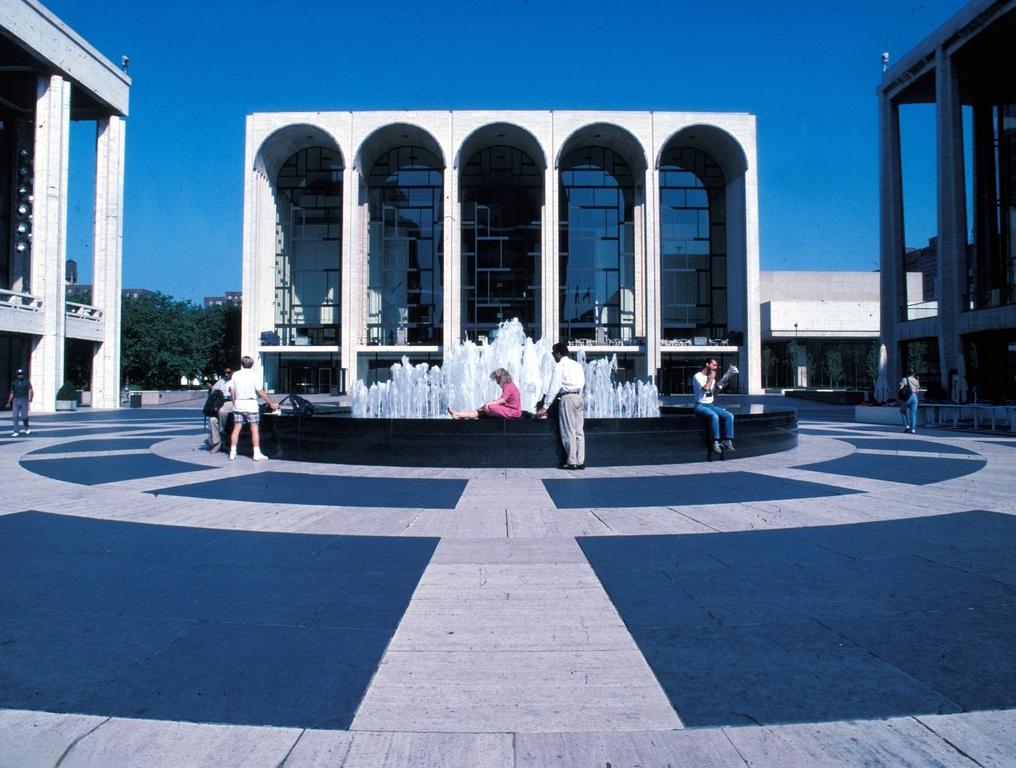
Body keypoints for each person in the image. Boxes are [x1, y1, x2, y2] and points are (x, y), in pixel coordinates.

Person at [537, 342, 586, 469]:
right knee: (579, 431)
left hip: (567, 398)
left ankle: (571, 461)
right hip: (579, 397)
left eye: (553, 353)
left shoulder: (560, 365)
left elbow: (554, 387)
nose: (553, 356)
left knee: (568, 430)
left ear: (558, 353)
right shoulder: (577, 365)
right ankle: (581, 461)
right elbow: (582, 383)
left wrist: (545, 406)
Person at [227, 356, 278, 461]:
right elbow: (260, 391)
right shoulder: (254, 375)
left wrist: (234, 402)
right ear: (252, 364)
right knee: (254, 429)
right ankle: (256, 453)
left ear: (241, 364)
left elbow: (232, 391)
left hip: (238, 404)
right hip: (251, 404)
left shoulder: (235, 375)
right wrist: (271, 403)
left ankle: (232, 452)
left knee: (236, 429)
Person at [694, 358, 735, 455]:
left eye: (716, 365)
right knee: (714, 416)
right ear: (707, 364)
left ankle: (727, 440)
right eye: (714, 365)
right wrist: (711, 378)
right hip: (700, 405)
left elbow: (711, 394)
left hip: (710, 405)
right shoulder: (697, 376)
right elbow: (705, 389)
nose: (715, 367)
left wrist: (721, 386)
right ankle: (715, 442)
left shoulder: (712, 378)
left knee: (729, 416)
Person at [448, 368, 522, 419]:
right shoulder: (509, 385)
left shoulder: (507, 385)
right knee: (483, 409)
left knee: (490, 407)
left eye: (497, 379)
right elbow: (503, 399)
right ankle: (458, 414)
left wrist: (490, 403)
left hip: (513, 413)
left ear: (501, 378)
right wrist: (491, 403)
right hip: (509, 410)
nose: (497, 382)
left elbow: (503, 399)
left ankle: (458, 414)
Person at [204, 368, 233, 453]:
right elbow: (213, 391)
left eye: (228, 373)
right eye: (225, 373)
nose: (226, 374)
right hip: (221, 401)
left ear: (232, 373)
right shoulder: (221, 381)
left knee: (222, 411)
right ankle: (217, 443)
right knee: (212, 420)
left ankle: (221, 431)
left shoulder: (236, 381)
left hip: (232, 401)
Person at [6, 368, 33, 437]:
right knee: (15, 416)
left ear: (23, 375)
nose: (20, 375)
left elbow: (31, 390)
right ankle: (16, 431)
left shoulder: (27, 382)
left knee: (24, 416)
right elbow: (12, 392)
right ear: (17, 375)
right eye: (18, 374)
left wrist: (30, 398)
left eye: (21, 374)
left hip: (24, 400)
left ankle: (26, 428)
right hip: (16, 400)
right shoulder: (14, 382)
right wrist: (9, 402)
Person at [899, 368, 920, 434]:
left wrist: (900, 396)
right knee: (913, 414)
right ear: (914, 373)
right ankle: (913, 429)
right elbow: (917, 391)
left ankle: (907, 426)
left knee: (902, 411)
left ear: (907, 373)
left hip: (907, 397)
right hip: (915, 397)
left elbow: (900, 388)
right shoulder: (916, 380)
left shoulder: (905, 379)